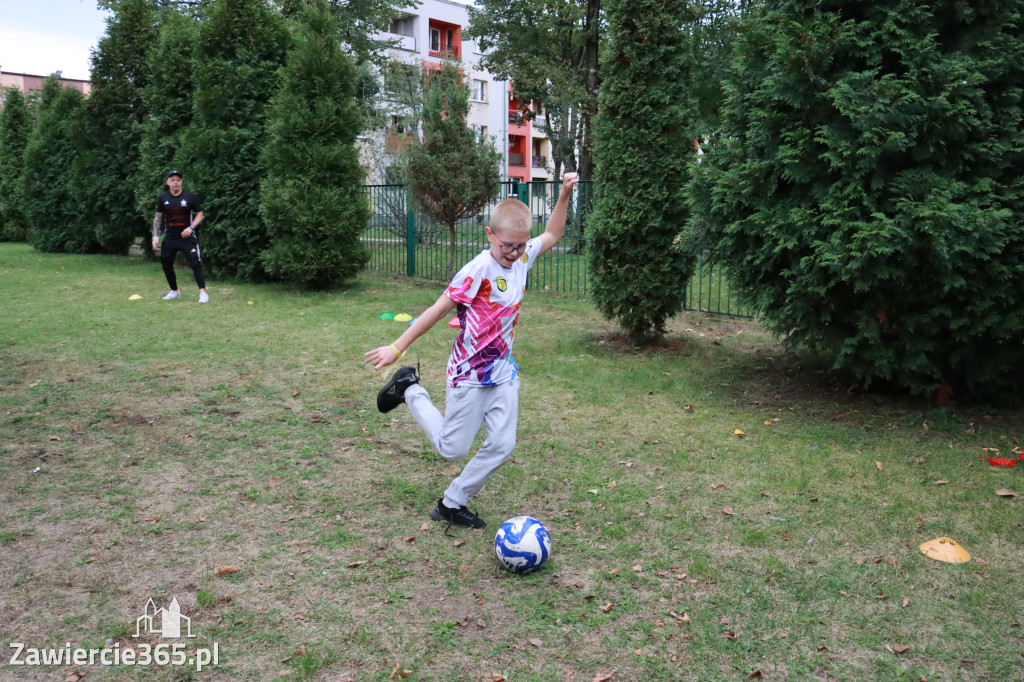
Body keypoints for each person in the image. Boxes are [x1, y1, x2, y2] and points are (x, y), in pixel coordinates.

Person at [364, 173, 580, 530]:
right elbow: (437, 309)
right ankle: (410, 390)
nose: (513, 253)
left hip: (503, 374)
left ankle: (452, 503)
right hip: (468, 375)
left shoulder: (522, 257)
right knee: (452, 449)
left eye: (520, 246)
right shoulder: (477, 270)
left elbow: (554, 233)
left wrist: (564, 195)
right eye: (507, 246)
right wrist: (397, 347)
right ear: (490, 235)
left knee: (502, 445)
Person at [152, 170, 208, 303]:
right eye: (172, 180)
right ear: (167, 182)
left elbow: (200, 214)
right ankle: (175, 291)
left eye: (178, 180)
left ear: (181, 182)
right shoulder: (162, 198)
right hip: (170, 238)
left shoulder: (190, 197)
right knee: (166, 265)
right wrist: (155, 236)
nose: (175, 182)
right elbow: (158, 218)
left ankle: (203, 293)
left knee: (195, 263)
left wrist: (191, 227)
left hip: (186, 238)